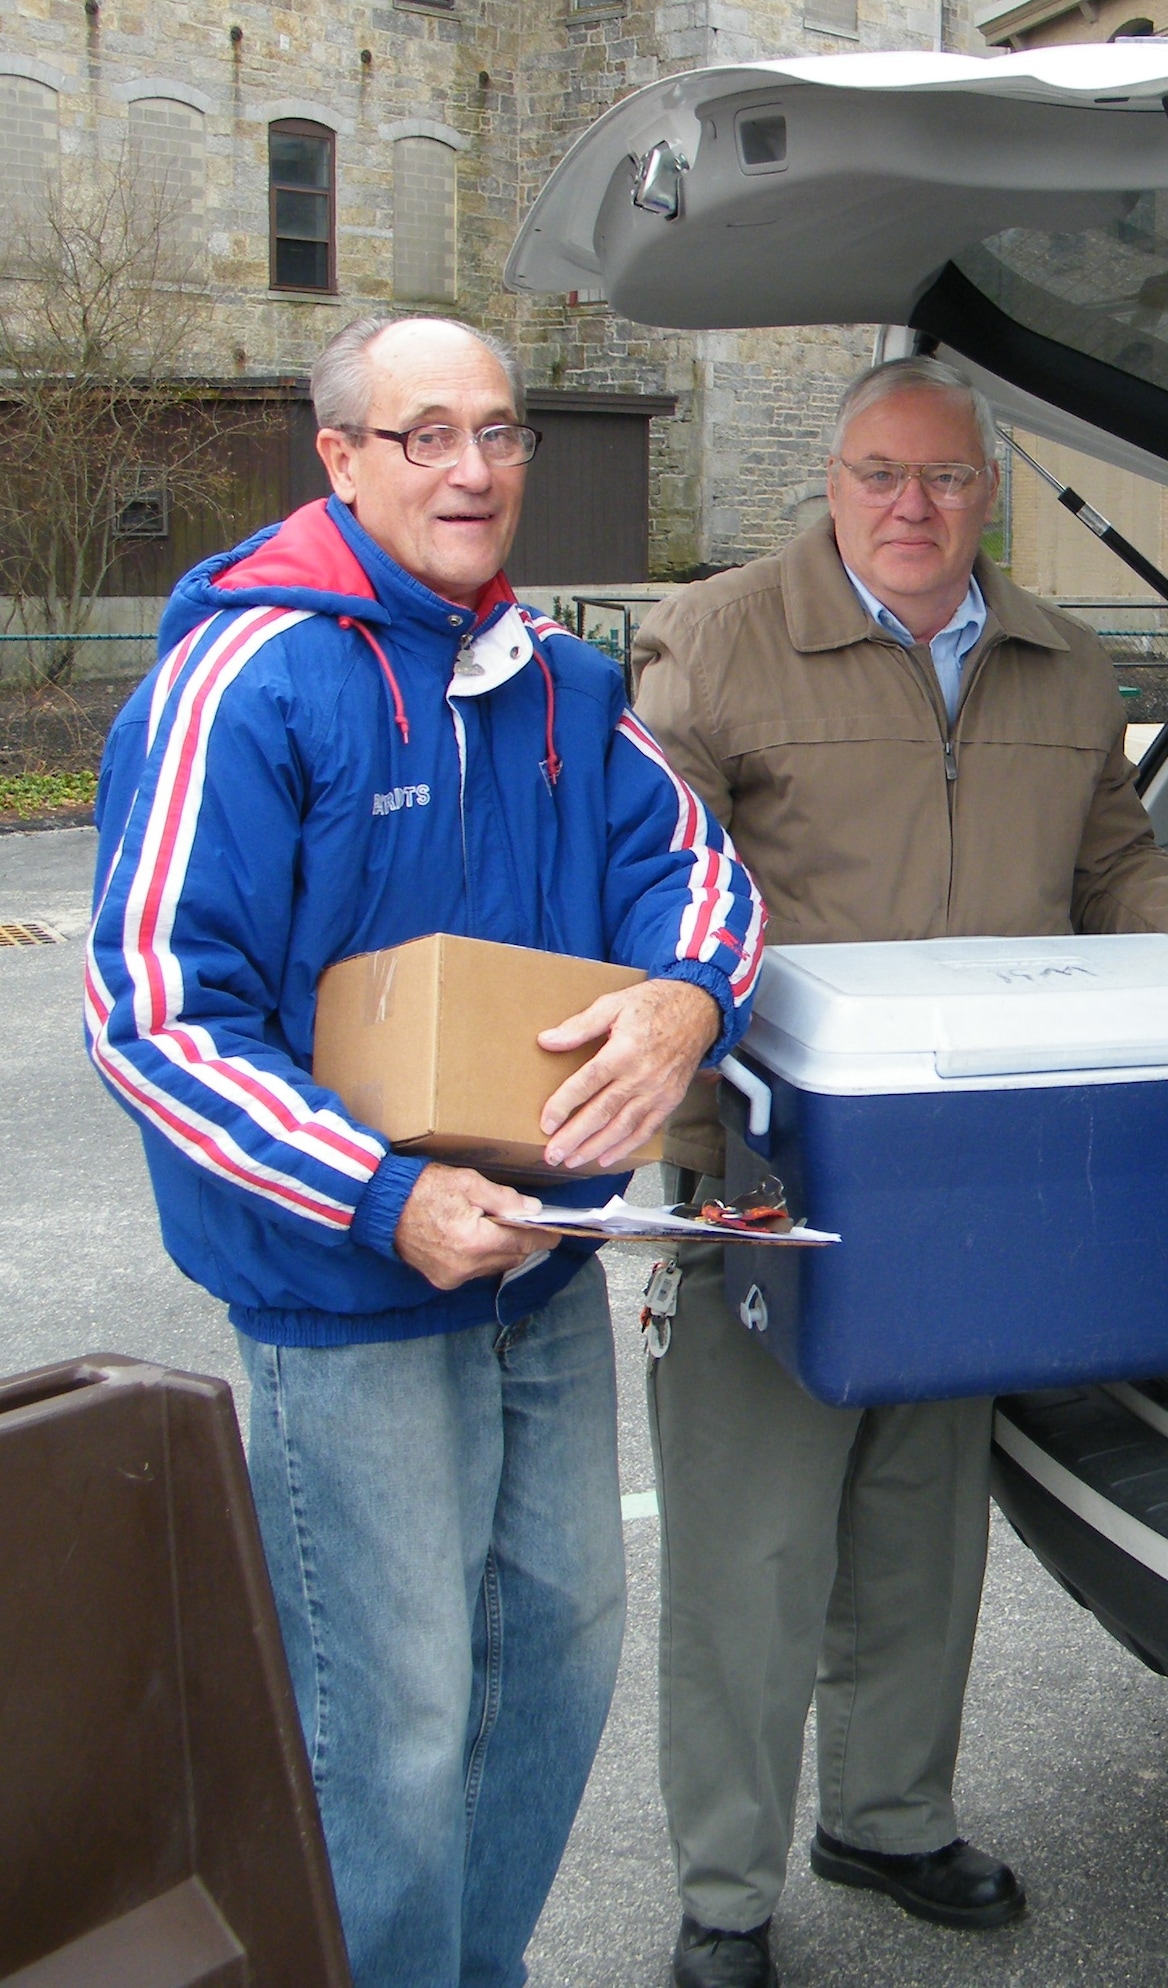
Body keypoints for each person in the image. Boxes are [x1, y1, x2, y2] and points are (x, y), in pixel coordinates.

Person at [84, 314, 766, 1988]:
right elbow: (156, 1012)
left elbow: (698, 877)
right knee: (384, 1731)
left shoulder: (556, 678)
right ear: (339, 459)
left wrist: (684, 1004)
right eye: (424, 435)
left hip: (540, 1269)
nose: (474, 470)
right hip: (348, 1297)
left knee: (556, 1662)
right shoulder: (247, 679)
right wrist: (381, 1196)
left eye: (504, 433)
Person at [633, 355, 1168, 1988]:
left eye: (944, 479)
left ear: (989, 490)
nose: (911, 508)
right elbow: (655, 885)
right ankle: (725, 1894)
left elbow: (1117, 861)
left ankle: (890, 1815)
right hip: (770, 1171)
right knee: (754, 1552)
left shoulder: (1060, 663)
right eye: (879, 475)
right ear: (835, 483)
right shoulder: (716, 641)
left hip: (977, 1175)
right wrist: (698, 1129)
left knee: (927, 1522)